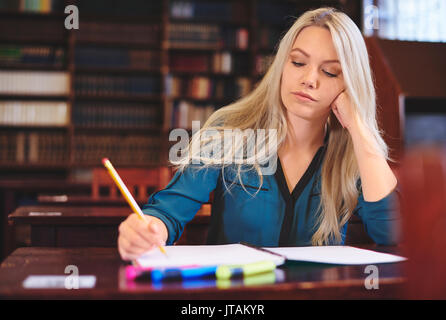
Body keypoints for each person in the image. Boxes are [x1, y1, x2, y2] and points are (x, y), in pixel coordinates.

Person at [117, 7, 401, 261]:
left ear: (350, 85)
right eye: (298, 63)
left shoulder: (356, 154)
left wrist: (361, 130)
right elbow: (170, 209)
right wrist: (149, 228)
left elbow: (392, 234)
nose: (309, 79)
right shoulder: (229, 131)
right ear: (281, 66)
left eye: (330, 72)